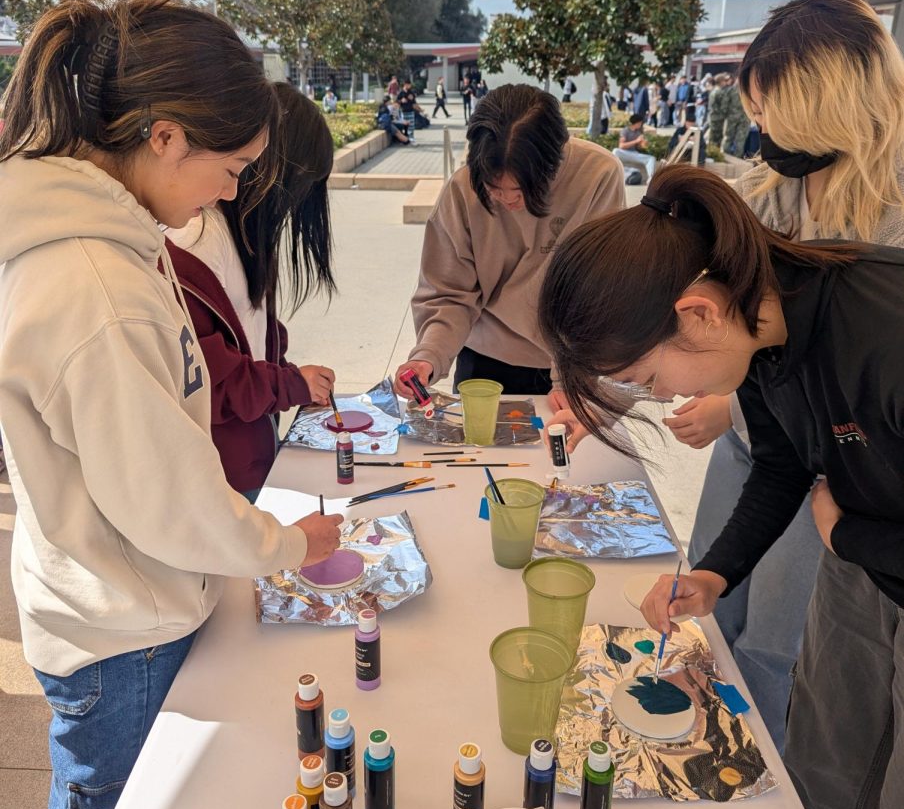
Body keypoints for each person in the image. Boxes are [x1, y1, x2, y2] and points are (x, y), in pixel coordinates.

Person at [0, 0, 343, 809]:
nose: (233, 195)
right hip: (123, 628)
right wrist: (286, 542)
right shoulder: (93, 286)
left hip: (117, 599)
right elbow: (164, 496)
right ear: (164, 138)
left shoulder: (109, 243)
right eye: (230, 169)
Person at [539, 162, 904, 809]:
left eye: (650, 378)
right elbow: (779, 463)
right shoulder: (763, 332)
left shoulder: (882, 328)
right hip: (862, 565)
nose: (669, 400)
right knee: (822, 776)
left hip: (870, 543)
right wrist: (713, 574)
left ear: (695, 313)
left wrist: (850, 538)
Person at [664, 0, 904, 750]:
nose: (759, 131)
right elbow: (746, 333)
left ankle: (752, 764)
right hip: (768, 442)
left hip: (847, 467)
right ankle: (698, 724)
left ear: (829, 103)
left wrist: (728, 406)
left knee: (777, 635)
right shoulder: (770, 189)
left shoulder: (889, 232)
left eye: (771, 113)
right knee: (715, 592)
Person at [392, 84, 625, 401]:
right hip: (485, 360)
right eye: (493, 188)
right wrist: (428, 355)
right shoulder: (462, 190)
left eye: (521, 190)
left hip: (573, 364)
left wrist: (567, 380)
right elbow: (448, 294)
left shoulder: (598, 174)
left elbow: (594, 294)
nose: (507, 200)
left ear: (554, 162)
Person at [167, 83, 338, 500]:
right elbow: (209, 382)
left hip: (249, 456)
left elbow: (249, 338)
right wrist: (290, 384)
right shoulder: (199, 240)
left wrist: (290, 375)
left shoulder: (240, 232)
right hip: (220, 477)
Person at [709, 72, 750, 156]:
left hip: (732, 117)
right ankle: (738, 157)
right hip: (745, 117)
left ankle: (725, 155)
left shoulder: (731, 90)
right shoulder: (749, 90)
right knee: (740, 139)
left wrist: (725, 114)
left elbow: (725, 105)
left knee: (728, 137)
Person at [614, 113, 657, 184]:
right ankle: (617, 173)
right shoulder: (625, 131)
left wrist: (643, 144)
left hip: (634, 154)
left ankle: (651, 179)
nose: (641, 124)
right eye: (640, 122)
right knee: (615, 151)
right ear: (636, 123)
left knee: (651, 158)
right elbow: (621, 146)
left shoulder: (639, 132)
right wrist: (636, 141)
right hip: (624, 153)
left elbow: (639, 147)